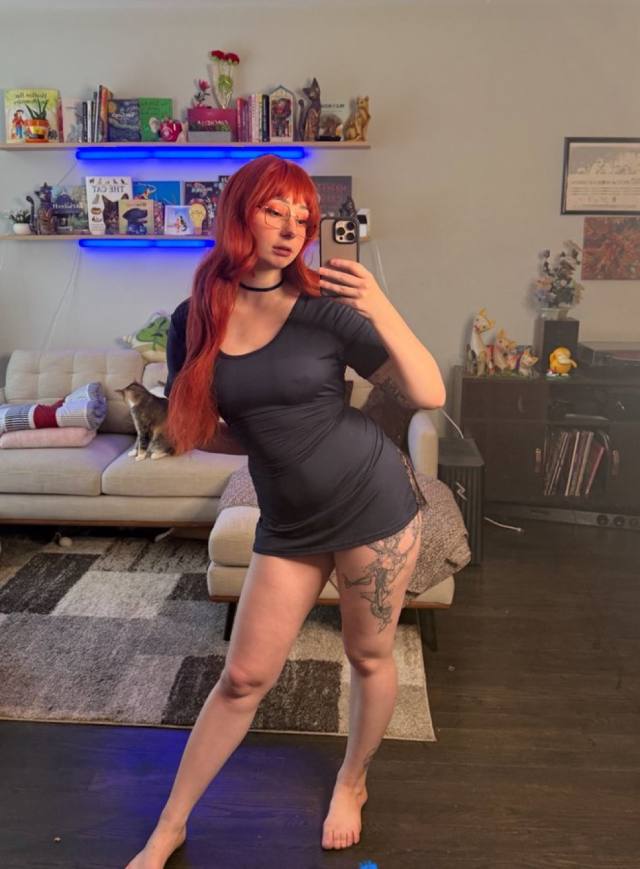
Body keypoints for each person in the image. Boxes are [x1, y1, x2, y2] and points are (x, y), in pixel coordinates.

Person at [126, 154, 445, 868]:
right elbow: (198, 424)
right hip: (290, 522)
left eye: (303, 216)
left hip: (373, 503)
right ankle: (169, 825)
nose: (293, 227)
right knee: (242, 678)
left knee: (367, 655)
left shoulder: (326, 310)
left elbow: (429, 392)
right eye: (276, 210)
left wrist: (380, 304)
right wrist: (271, 440)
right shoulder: (194, 319)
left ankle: (351, 782)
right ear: (239, 213)